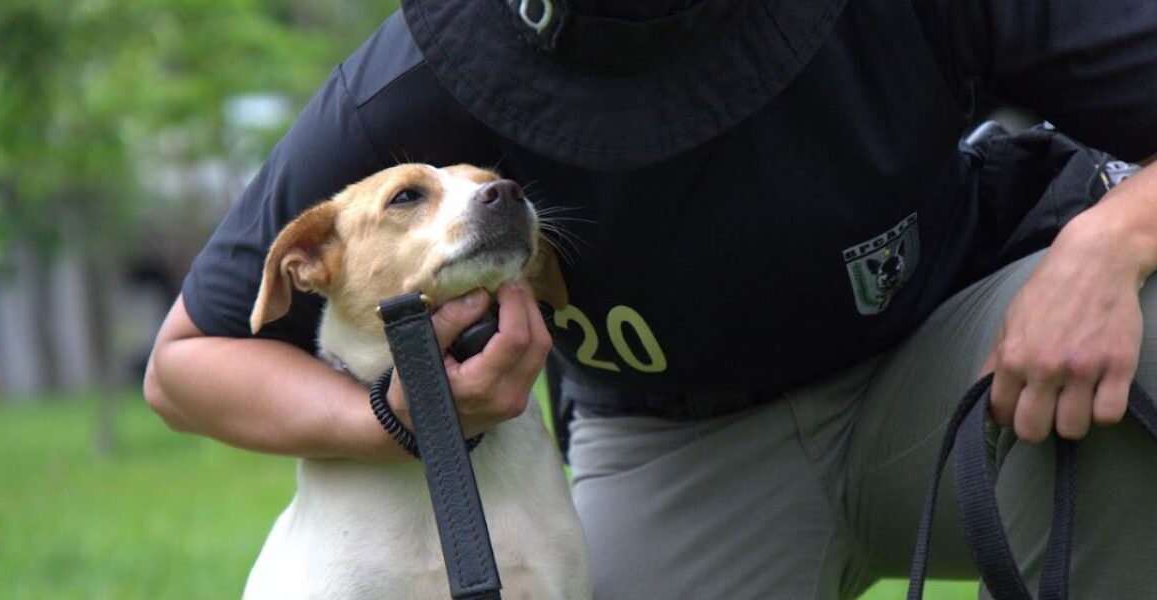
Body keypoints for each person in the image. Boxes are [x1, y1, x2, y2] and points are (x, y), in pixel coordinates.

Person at [143, 0, 1157, 597]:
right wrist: (398, 419)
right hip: (680, 445)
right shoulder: (424, 67)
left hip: (949, 361)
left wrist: (1111, 242)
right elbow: (186, 362)